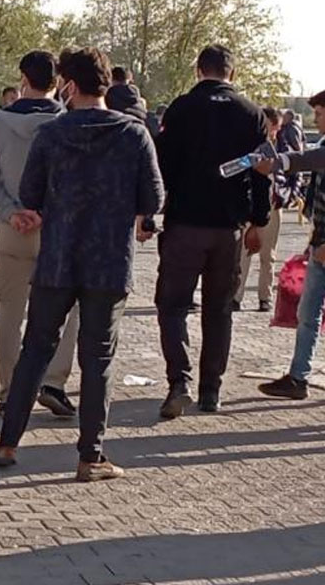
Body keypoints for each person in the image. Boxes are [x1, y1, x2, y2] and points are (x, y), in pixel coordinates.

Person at [0, 47, 164, 482]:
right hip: (109, 261)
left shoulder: (53, 134)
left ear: (68, 84)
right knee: (98, 358)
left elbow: (30, 194)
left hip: (57, 258)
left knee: (35, 348)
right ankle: (91, 456)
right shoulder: (133, 133)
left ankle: (7, 442)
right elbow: (154, 197)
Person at [155, 44, 270, 418]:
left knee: (173, 306)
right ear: (231, 73)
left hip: (185, 222)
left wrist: (151, 210)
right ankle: (211, 391)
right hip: (228, 227)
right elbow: (261, 172)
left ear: (198, 70)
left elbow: (162, 164)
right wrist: (259, 220)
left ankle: (179, 381)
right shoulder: (251, 113)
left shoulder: (181, 108)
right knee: (219, 310)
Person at [0, 50, 79, 415]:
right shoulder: (70, 123)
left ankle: (10, 389)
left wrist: (11, 210)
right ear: (59, 82)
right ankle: (53, 381)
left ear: (23, 79)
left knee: (9, 311)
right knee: (68, 309)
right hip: (58, 230)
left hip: (12, 228)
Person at [254, 90, 325, 400]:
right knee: (308, 315)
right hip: (319, 244)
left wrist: (277, 162)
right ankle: (298, 377)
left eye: (319, 114)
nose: (315, 120)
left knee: (309, 314)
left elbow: (306, 160)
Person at [236, 107, 292, 312]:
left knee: (268, 255)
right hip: (251, 204)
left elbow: (293, 172)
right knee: (244, 252)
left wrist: (288, 193)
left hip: (274, 205)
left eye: (275, 127)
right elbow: (240, 167)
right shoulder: (249, 144)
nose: (272, 131)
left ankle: (264, 296)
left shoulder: (284, 146)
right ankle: (236, 295)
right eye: (269, 126)